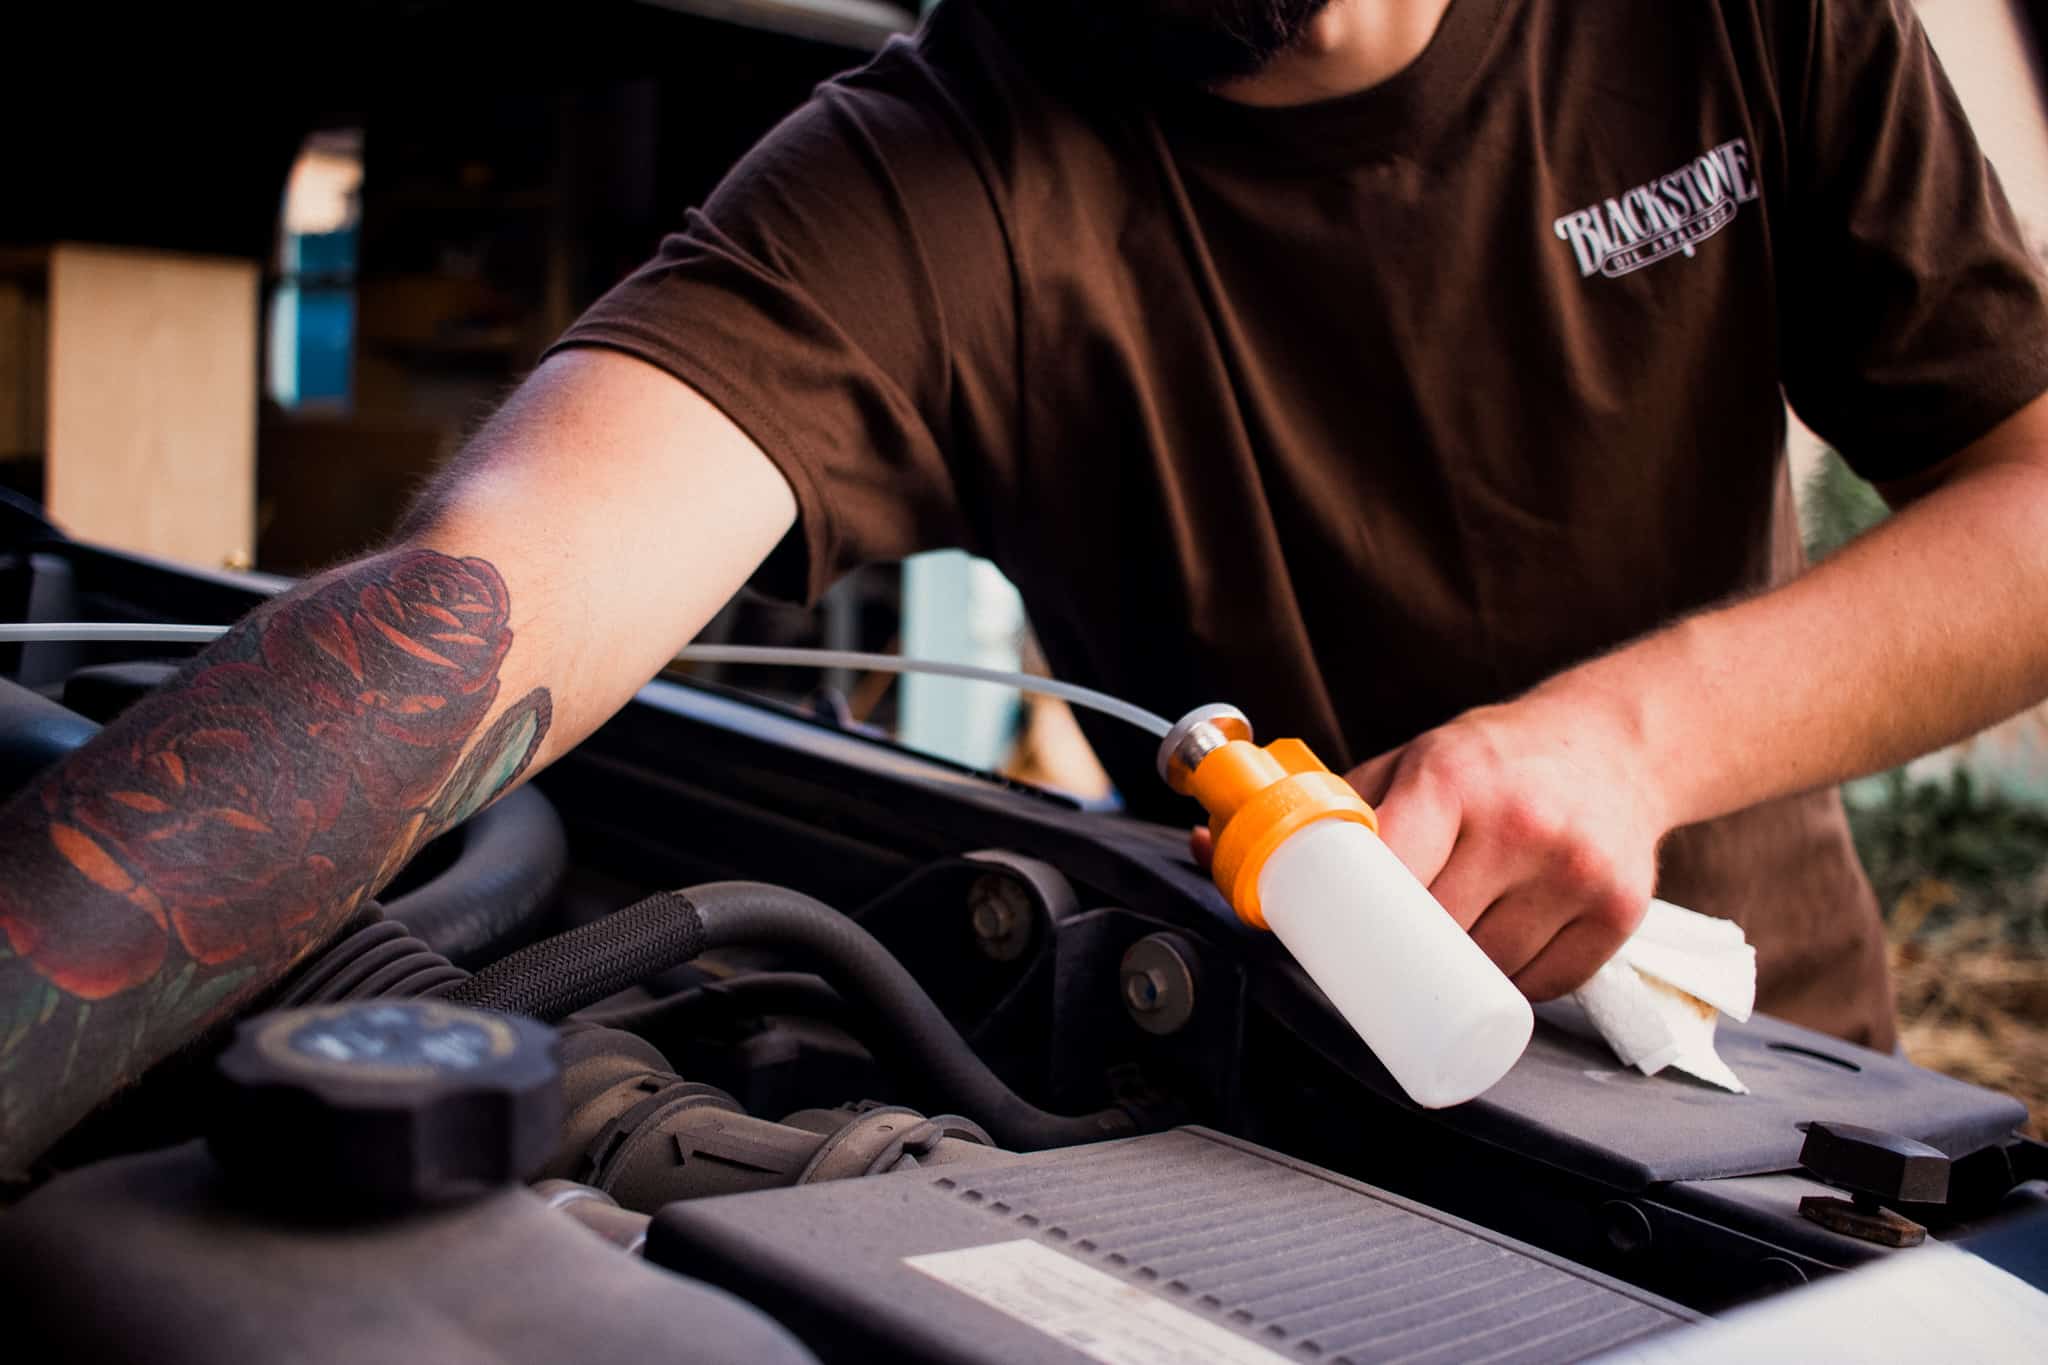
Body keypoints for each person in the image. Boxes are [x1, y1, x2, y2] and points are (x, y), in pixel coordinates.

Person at [4, 0, 2047, 1173]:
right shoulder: (946, 164)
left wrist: (1630, 730)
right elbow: (488, 597)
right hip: (1273, 1173)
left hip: (1782, 1141)